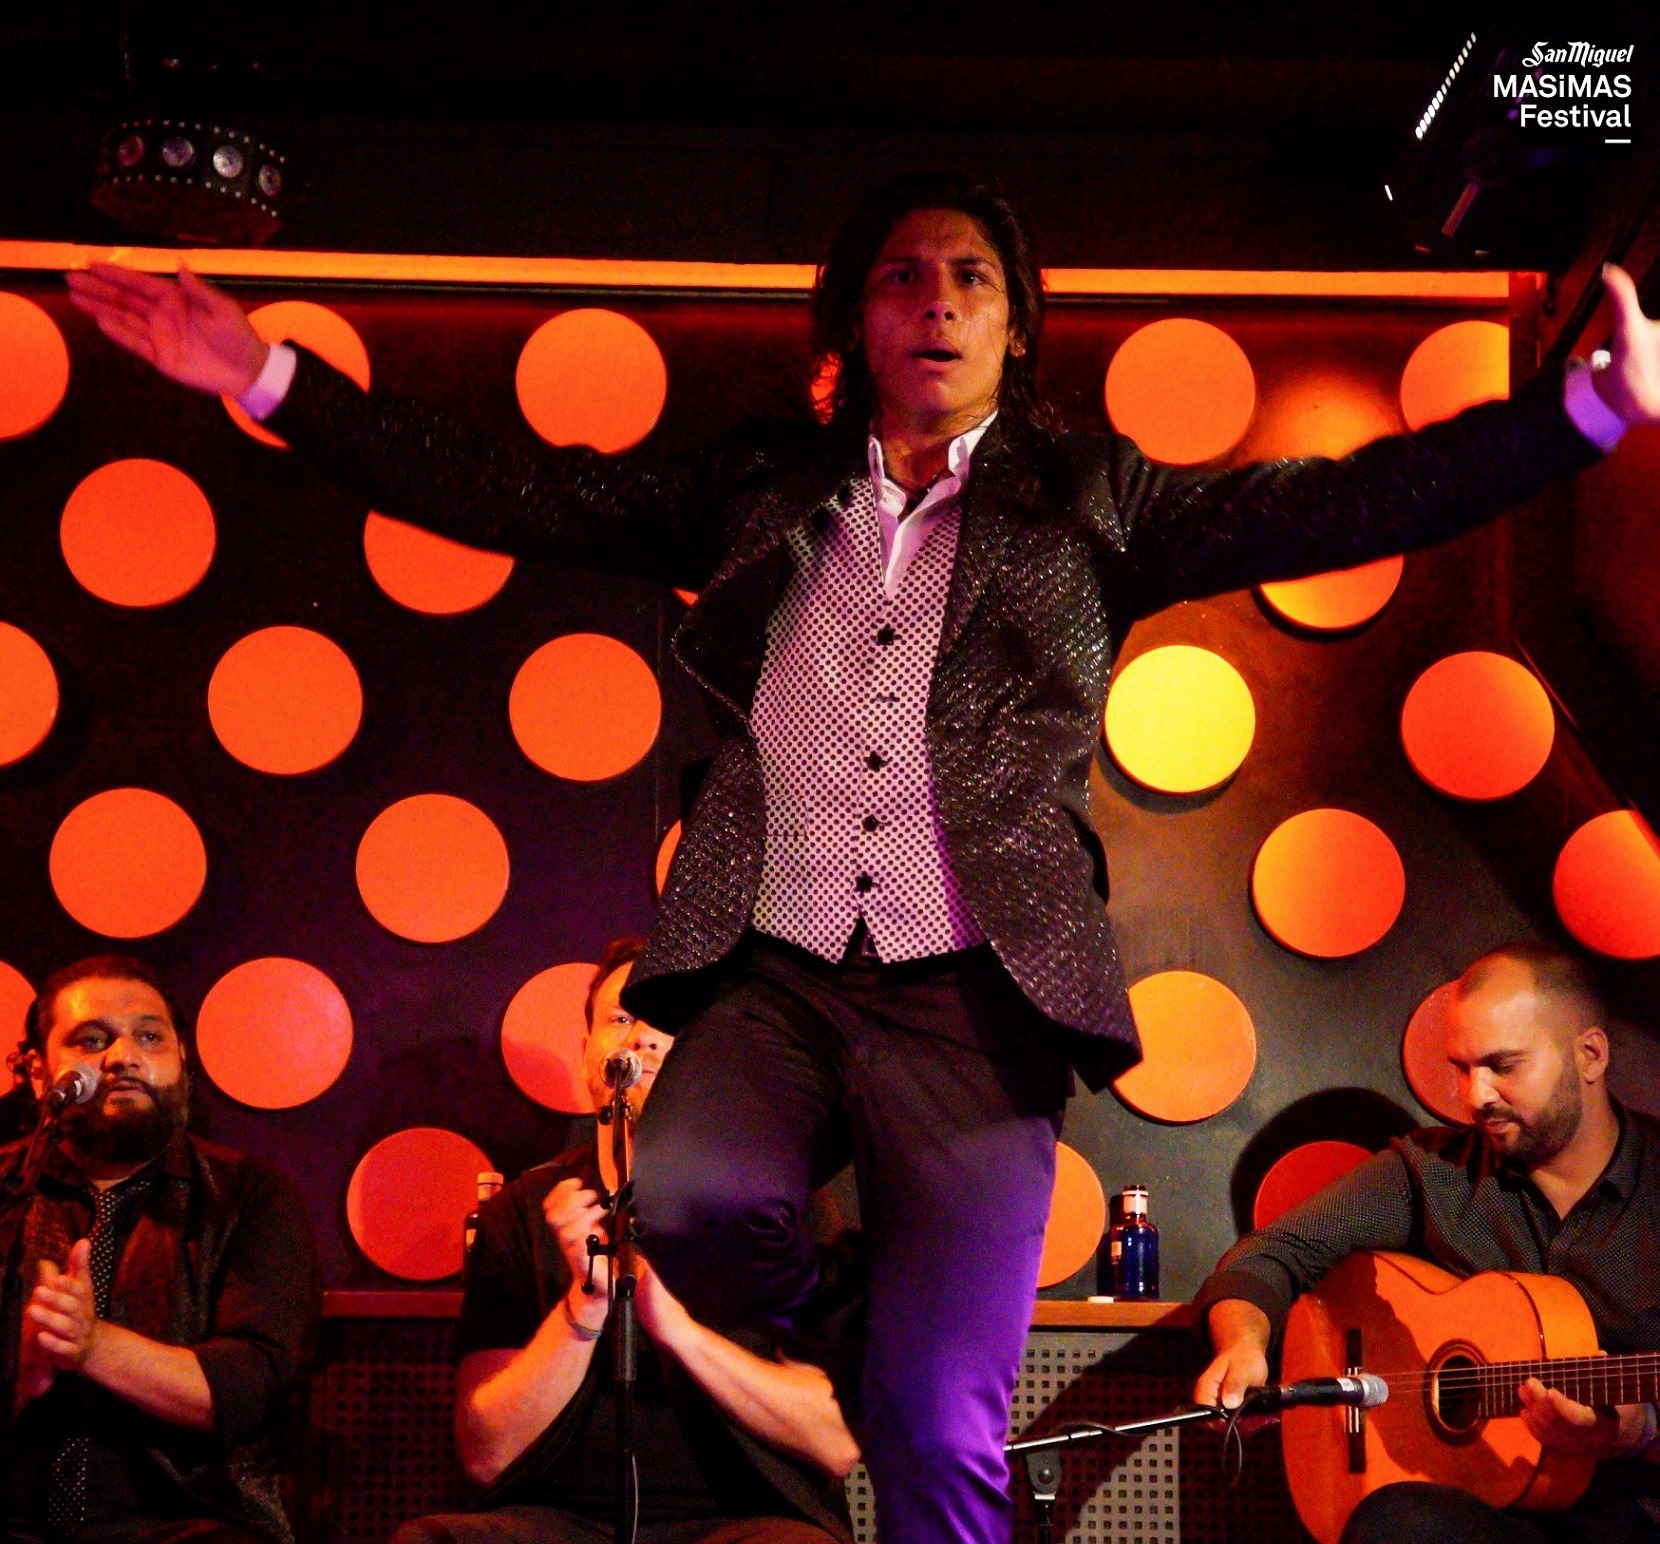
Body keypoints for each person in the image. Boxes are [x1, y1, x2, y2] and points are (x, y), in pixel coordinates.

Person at [64, 173, 1660, 1543]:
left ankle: (893, 1370)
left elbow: (1337, 504)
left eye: (972, 276)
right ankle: (836, 1335)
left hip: (975, 998)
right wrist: (264, 374)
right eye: (903, 275)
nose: (938, 299)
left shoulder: (1093, 499)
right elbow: (513, 488)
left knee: (937, 1429)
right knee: (683, 1192)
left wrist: (1584, 413)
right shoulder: (757, 487)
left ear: (1016, 327)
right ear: (854, 322)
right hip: (779, 969)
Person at [395, 936, 859, 1544]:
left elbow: (836, 1440)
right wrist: (583, 1309)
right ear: (588, 1053)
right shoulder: (523, 1213)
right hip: (560, 1524)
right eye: (620, 1018)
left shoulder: (788, 1205)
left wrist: (679, 1333)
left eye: (669, 1020)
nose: (641, 1037)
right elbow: (488, 1454)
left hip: (743, 1521)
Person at [1192, 942, 1660, 1543]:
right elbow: (1271, 1253)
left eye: (1503, 1066)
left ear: (1589, 1055)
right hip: (1483, 1519)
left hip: (1638, 1515)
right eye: (1462, 1068)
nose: (1475, 1096)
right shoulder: (1433, 1172)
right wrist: (1243, 1342)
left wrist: (1641, 1430)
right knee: (1393, 1524)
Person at [0, 954, 320, 1544]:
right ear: (40, 1074)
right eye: (91, 1039)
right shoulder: (7, 1194)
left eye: (149, 1036)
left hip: (187, 1525)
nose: (123, 1056)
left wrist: (91, 1345)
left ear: (181, 1063)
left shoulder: (250, 1198)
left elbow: (252, 1388)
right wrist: (18, 1374)